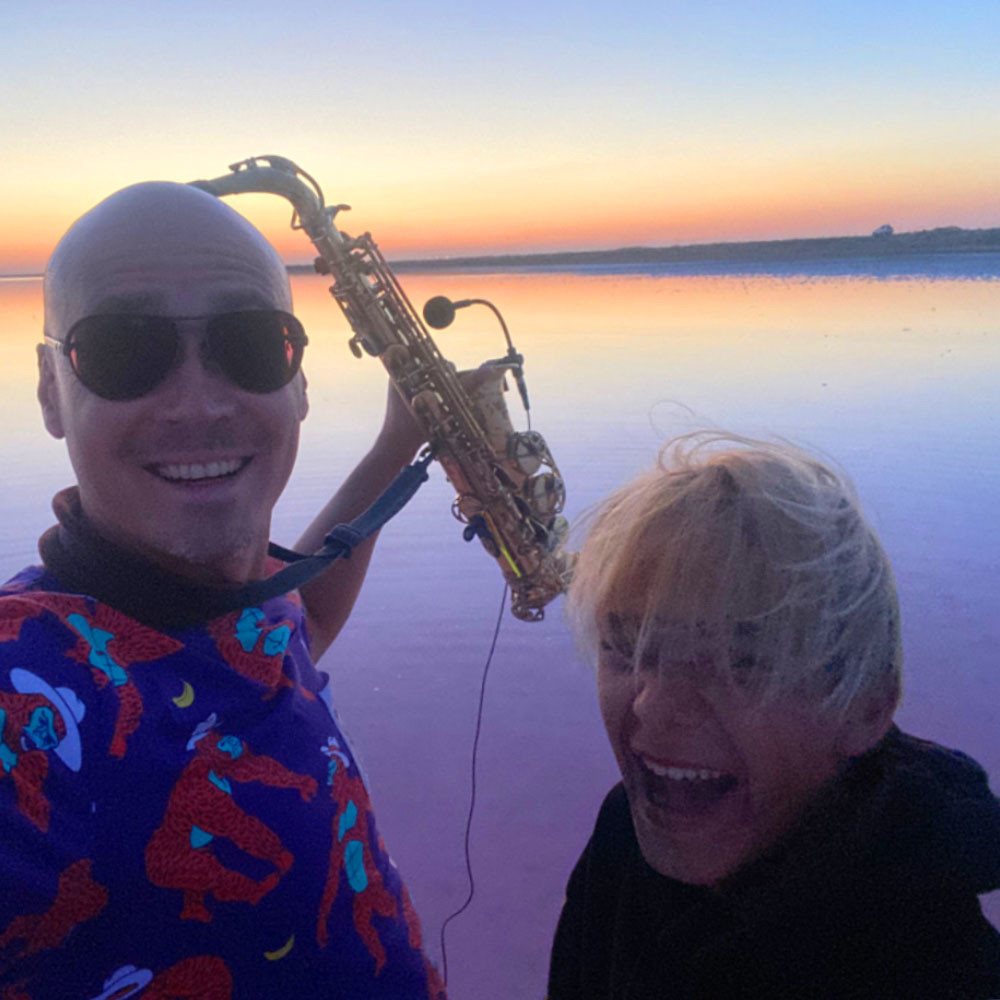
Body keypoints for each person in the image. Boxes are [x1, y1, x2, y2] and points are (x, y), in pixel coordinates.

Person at [0, 181, 447, 998]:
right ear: (49, 391)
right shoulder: (24, 685)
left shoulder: (232, 604)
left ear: (300, 381)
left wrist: (397, 442)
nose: (199, 404)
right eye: (123, 350)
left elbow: (301, 622)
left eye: (250, 343)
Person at [547, 432, 1000, 999]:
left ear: (865, 706)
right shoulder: (624, 836)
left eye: (736, 661)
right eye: (626, 648)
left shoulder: (945, 973)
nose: (652, 707)